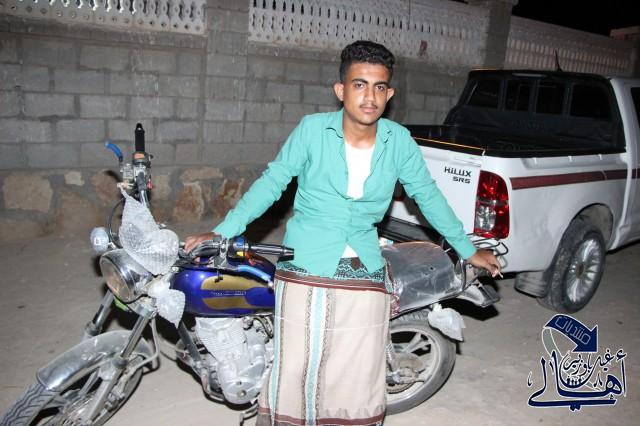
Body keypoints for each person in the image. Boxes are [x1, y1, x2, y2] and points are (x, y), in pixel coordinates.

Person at [185, 40, 501, 425]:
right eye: (359, 85)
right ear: (341, 90)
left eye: (379, 87)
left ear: (390, 94)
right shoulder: (312, 130)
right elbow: (272, 183)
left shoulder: (398, 141)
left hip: (363, 259)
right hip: (307, 257)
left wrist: (466, 249)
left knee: (359, 369)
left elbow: (428, 196)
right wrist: (223, 232)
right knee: (297, 364)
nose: (370, 96)